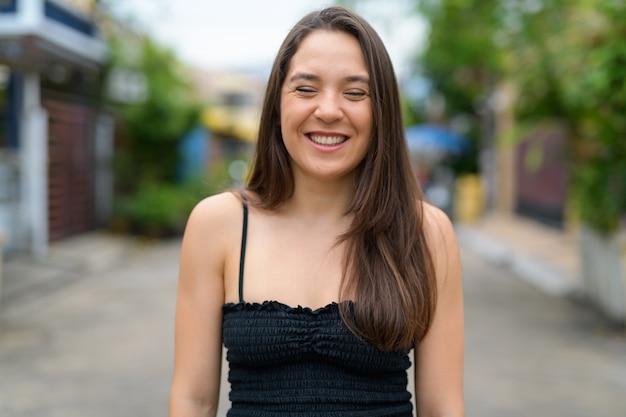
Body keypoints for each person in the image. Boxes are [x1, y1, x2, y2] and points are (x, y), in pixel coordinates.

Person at [168, 6, 464, 417]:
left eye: (355, 92)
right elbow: (192, 400)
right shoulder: (218, 224)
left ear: (382, 113)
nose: (328, 110)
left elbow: (442, 406)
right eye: (306, 89)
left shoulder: (425, 232)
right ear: (276, 105)